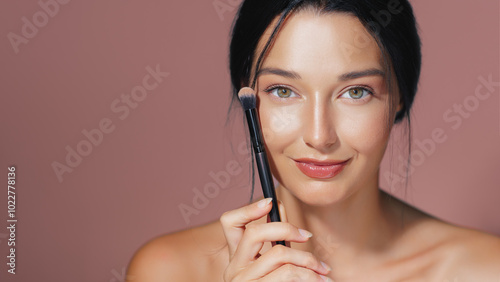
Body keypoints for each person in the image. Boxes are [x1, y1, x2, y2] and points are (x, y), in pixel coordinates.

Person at [126, 0, 500, 280]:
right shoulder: (170, 270)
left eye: (355, 92)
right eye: (284, 91)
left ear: (400, 95)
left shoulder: (484, 270)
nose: (319, 136)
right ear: (250, 96)